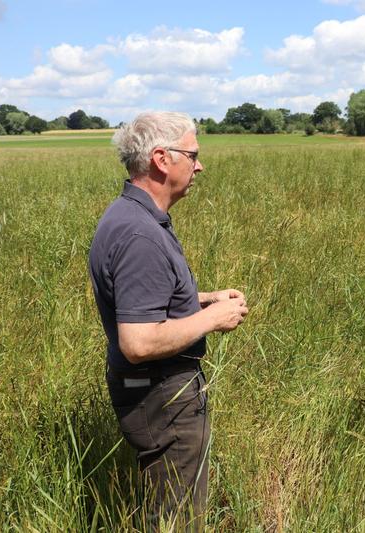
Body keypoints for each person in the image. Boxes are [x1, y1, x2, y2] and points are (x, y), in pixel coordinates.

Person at [89, 112, 248, 529]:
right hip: (161, 396)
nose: (200, 165)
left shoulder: (133, 217)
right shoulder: (139, 235)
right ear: (161, 158)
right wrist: (212, 319)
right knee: (176, 519)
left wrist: (203, 298)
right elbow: (138, 342)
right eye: (192, 155)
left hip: (159, 393)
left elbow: (144, 299)